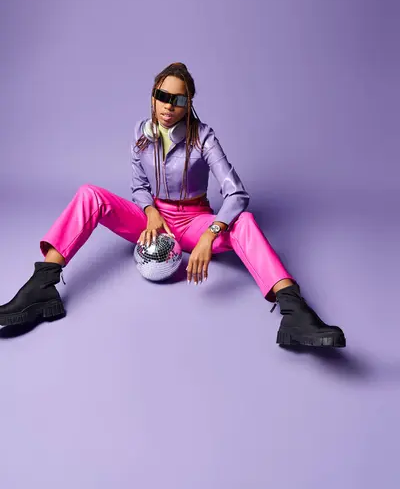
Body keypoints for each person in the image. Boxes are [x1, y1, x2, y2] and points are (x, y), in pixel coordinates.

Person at [0, 62, 345, 347]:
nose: (168, 106)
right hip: (152, 220)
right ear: (153, 97)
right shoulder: (140, 131)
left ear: (189, 103)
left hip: (194, 222)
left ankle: (294, 313)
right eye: (162, 96)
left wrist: (210, 233)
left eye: (177, 100)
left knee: (246, 222)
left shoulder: (204, 137)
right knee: (90, 194)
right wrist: (149, 211)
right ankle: (41, 288)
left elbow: (236, 194)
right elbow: (138, 185)